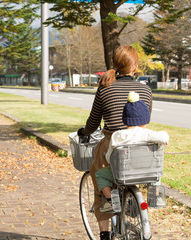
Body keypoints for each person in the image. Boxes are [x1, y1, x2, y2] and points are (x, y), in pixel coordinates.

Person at [78, 45, 152, 240]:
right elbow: (145, 118)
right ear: (134, 67)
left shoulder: (105, 88)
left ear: (116, 65)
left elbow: (93, 122)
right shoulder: (145, 90)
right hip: (138, 145)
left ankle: (105, 233)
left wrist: (84, 132)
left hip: (112, 144)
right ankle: (131, 202)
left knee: (100, 181)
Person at [95, 91, 169, 212]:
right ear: (145, 120)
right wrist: (163, 140)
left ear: (125, 120)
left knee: (100, 175)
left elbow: (109, 158)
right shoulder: (147, 134)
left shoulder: (118, 135)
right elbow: (165, 136)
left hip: (123, 173)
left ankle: (110, 201)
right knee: (156, 171)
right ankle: (155, 196)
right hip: (146, 172)